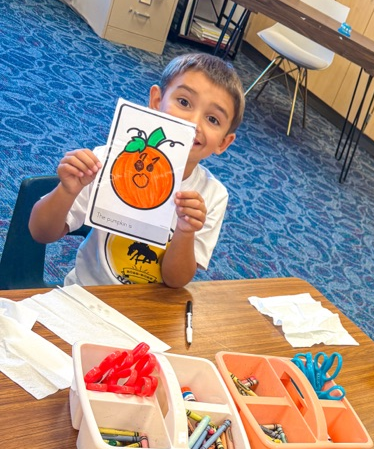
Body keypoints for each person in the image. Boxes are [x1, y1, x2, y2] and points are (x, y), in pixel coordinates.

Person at [28, 53, 244, 288]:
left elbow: (176, 281)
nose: (193, 123)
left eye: (212, 119)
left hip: (148, 311)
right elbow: (41, 233)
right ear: (156, 101)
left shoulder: (210, 196)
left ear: (223, 142)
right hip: (86, 294)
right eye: (183, 102)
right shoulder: (110, 162)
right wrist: (66, 191)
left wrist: (185, 231)